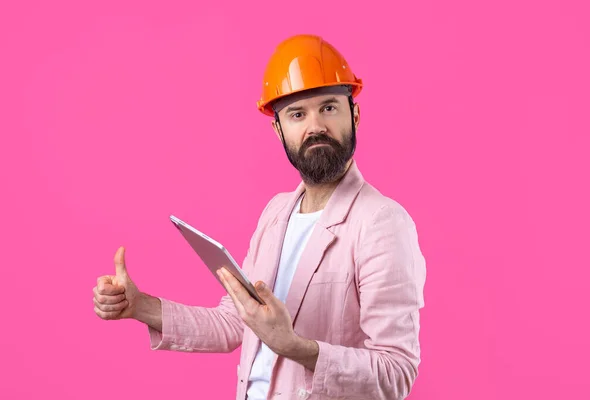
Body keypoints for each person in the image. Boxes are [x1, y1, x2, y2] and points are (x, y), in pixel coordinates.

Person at [93, 34, 427, 400]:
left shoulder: (381, 222)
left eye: (328, 107)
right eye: (297, 114)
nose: (315, 126)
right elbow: (234, 323)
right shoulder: (276, 213)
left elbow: (395, 372)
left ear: (355, 114)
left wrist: (294, 346)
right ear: (278, 129)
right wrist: (141, 307)